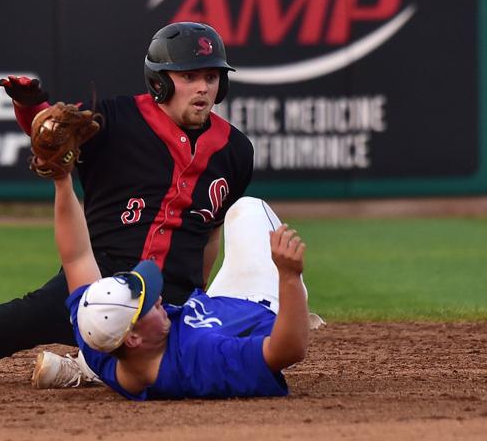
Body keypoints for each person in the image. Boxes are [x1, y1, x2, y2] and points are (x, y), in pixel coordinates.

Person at [0, 22, 255, 388]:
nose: (203, 87)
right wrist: (32, 108)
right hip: (100, 285)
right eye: (189, 77)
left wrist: (199, 297)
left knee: (242, 347)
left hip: (174, 302)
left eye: (211, 76)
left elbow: (210, 234)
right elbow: (53, 131)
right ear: (160, 83)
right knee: (21, 318)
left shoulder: (236, 150)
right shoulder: (113, 119)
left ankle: (89, 365)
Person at [51, 169, 311, 399]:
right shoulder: (201, 359)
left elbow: (76, 258)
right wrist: (288, 277)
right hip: (262, 304)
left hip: (214, 307)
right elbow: (287, 351)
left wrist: (62, 180)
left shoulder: (97, 332)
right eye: (149, 305)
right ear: (132, 339)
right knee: (248, 208)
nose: (159, 299)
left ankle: (82, 367)